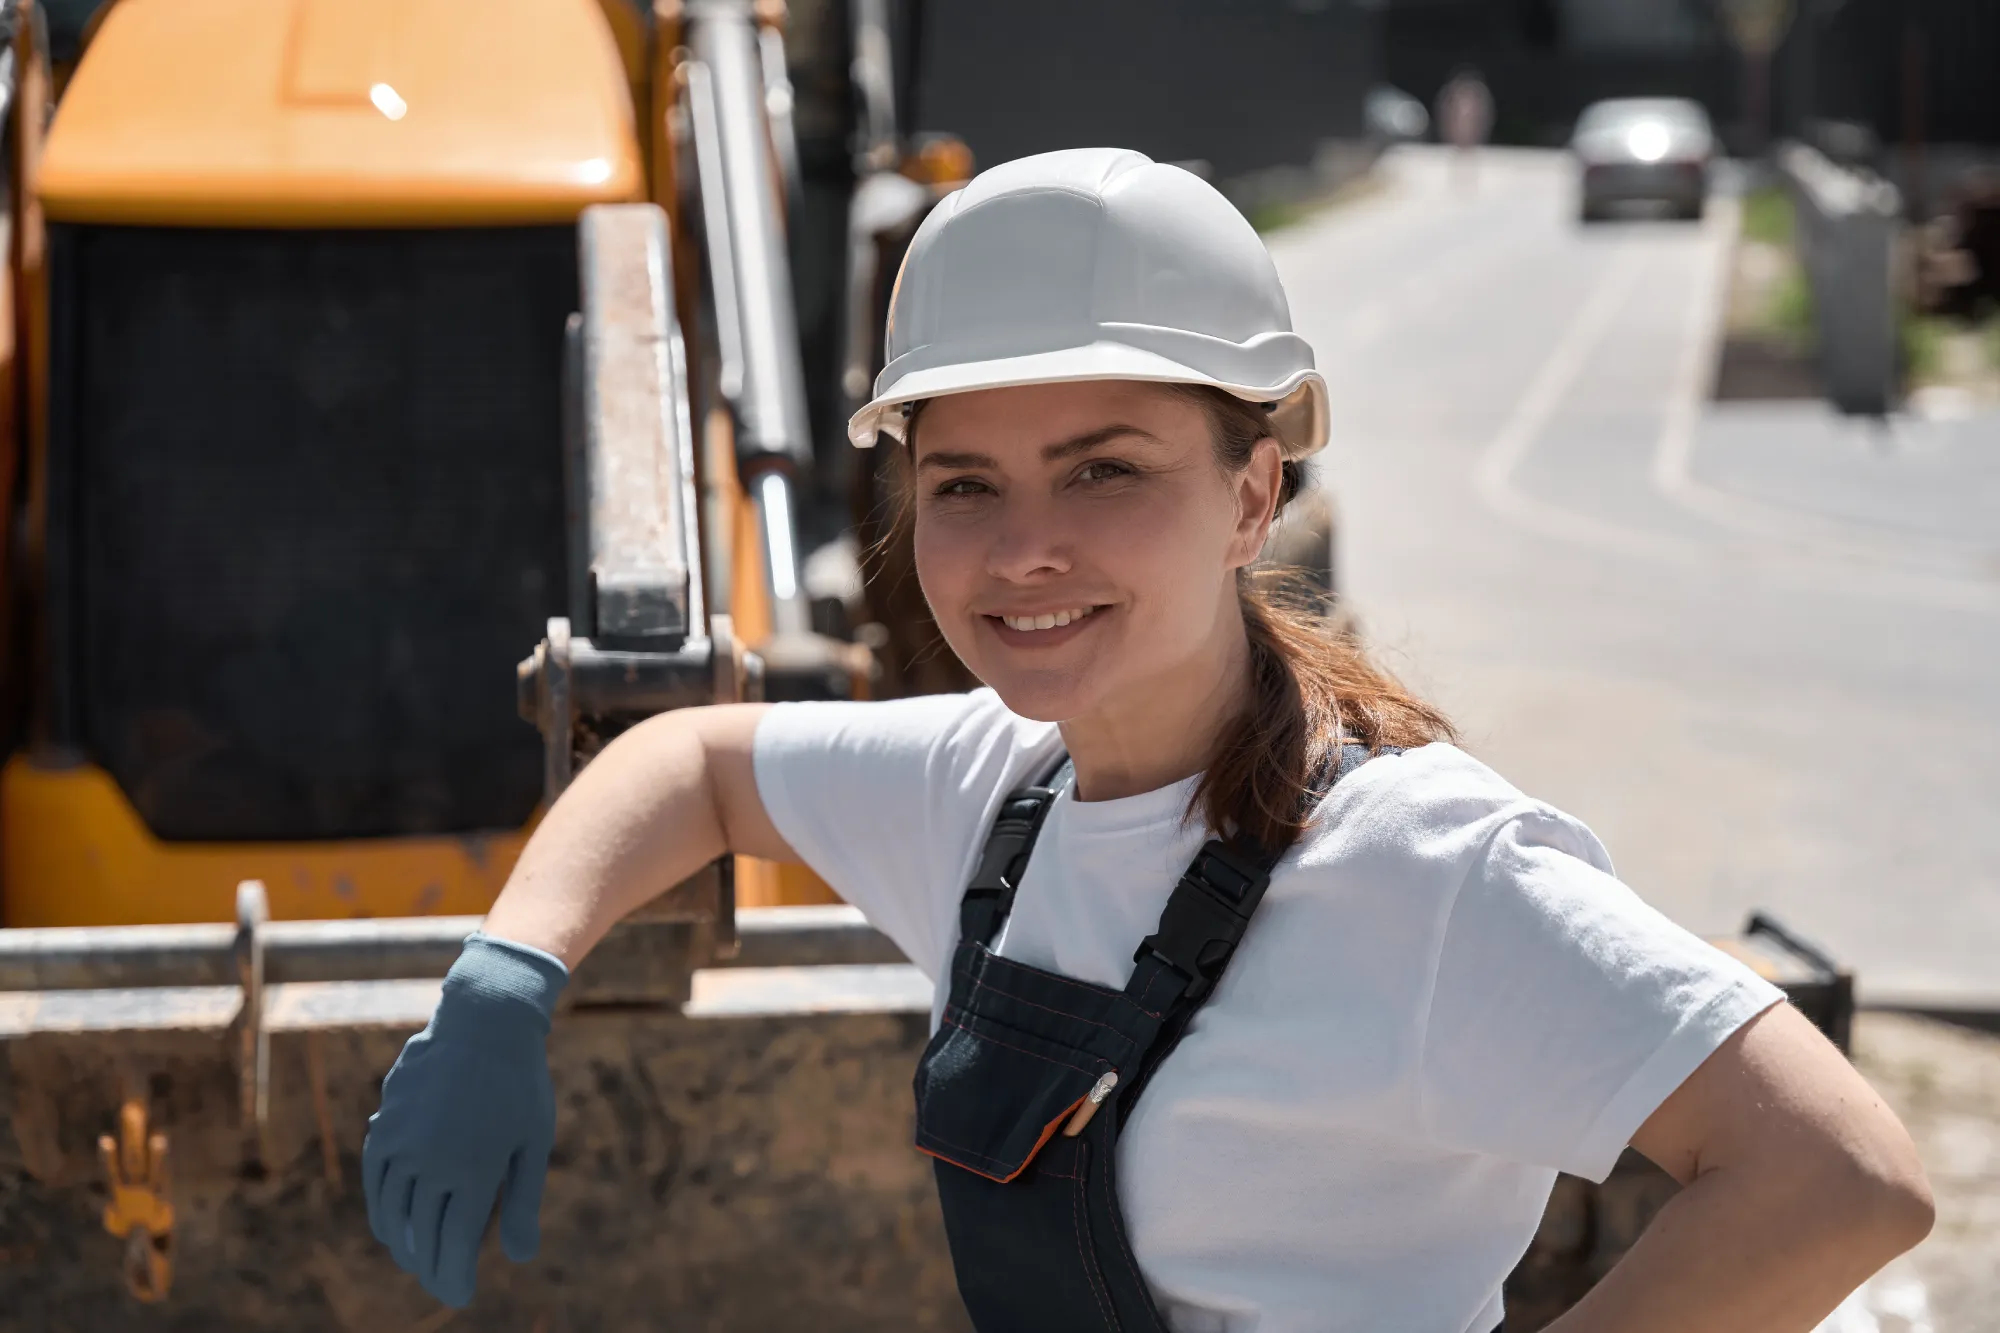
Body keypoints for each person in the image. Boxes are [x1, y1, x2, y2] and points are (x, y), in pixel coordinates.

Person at [362, 148, 1933, 1331]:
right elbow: (689, 763)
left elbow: (1840, 1180)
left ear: (1253, 496)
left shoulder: (1424, 866)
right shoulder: (994, 794)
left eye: (1104, 471)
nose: (1023, 549)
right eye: (966, 485)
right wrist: (511, 976)